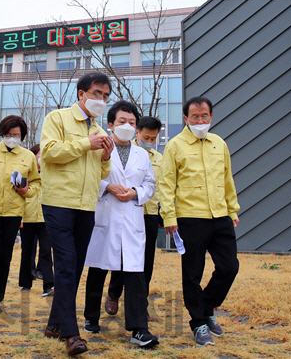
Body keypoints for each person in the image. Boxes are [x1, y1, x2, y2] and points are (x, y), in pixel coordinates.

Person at [40, 72, 114, 356]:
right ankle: (71, 335)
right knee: (67, 264)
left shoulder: (101, 131)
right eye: (97, 93)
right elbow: (48, 152)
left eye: (106, 96)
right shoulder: (57, 118)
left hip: (86, 205)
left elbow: (101, 172)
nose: (102, 100)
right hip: (59, 201)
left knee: (74, 266)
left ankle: (54, 325)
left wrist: (105, 157)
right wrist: (86, 144)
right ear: (82, 94)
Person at [159, 96, 240, 347]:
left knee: (229, 267)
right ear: (186, 119)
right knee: (192, 273)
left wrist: (233, 210)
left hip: (220, 216)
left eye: (205, 116)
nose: (200, 120)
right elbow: (166, 184)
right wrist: (169, 217)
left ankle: (205, 307)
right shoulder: (175, 146)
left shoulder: (219, 143)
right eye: (195, 117)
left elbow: (227, 179)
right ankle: (199, 323)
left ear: (211, 117)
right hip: (190, 218)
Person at [83, 101, 158, 348]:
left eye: (132, 123)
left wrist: (135, 192)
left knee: (135, 273)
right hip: (106, 216)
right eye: (122, 122)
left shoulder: (142, 155)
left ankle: (139, 329)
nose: (127, 126)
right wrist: (108, 187)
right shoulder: (99, 148)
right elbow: (89, 177)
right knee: (98, 269)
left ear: (136, 128)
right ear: (110, 124)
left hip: (133, 218)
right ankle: (91, 317)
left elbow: (150, 185)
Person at [0, 115, 41, 315]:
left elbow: (36, 182)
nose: (12, 138)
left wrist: (27, 191)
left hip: (14, 212)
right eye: (8, 134)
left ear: (22, 135)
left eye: (15, 135)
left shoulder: (28, 156)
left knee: (5, 256)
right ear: (2, 134)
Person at [105, 116, 163, 322]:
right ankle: (113, 294)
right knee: (121, 258)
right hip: (126, 211)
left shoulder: (158, 157)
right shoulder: (126, 152)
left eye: (154, 138)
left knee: (144, 263)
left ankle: (141, 305)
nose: (150, 141)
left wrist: (163, 212)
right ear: (137, 133)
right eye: (146, 137)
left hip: (149, 213)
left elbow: (159, 186)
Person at [18, 144, 54, 296]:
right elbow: (19, 196)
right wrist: (19, 216)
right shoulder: (25, 174)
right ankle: (26, 283)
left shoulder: (51, 173)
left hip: (45, 218)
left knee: (46, 252)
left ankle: (48, 285)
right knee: (27, 251)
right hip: (27, 217)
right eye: (39, 155)